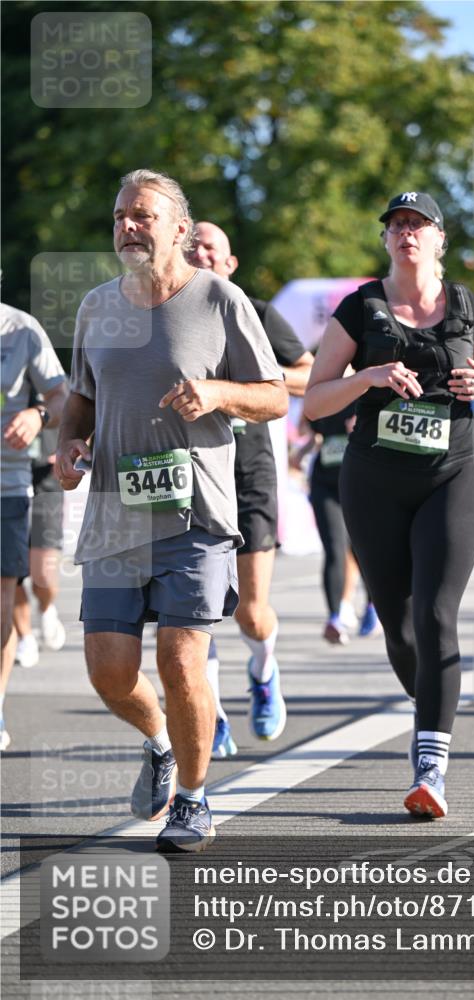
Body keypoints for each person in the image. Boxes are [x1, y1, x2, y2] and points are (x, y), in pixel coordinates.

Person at [55, 170, 287, 852]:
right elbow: (82, 400)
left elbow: (273, 396)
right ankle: (157, 742)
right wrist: (71, 446)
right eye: (122, 214)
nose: (129, 225)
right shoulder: (97, 307)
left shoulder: (220, 299)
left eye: (143, 216)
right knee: (109, 672)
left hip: (197, 514)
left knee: (182, 659)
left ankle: (192, 796)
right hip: (114, 514)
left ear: (179, 229)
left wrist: (218, 392)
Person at [304, 190, 474, 819]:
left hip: (454, 472)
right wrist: (366, 377)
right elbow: (314, 401)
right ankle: (434, 705)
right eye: (396, 226)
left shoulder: (469, 308)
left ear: (440, 241)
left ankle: (430, 766)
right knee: (396, 624)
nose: (407, 234)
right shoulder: (360, 309)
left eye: (418, 225)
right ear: (386, 241)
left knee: (436, 611)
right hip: (374, 479)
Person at [189, 221, 314, 753]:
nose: (200, 252)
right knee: (194, 608)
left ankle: (264, 674)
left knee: (251, 611)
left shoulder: (257, 312)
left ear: (230, 262)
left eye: (210, 246)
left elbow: (309, 375)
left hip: (251, 471)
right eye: (190, 244)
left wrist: (238, 386)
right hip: (190, 471)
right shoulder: (161, 317)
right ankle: (211, 714)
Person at [1, 302, 67, 749]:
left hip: (8, 484)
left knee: (16, 587)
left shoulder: (22, 329)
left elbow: (63, 395)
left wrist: (38, 415)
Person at [296, 404, 380, 644]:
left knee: (362, 549)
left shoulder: (367, 390)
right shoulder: (324, 391)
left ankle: (373, 607)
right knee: (334, 548)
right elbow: (310, 432)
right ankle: (334, 617)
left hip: (359, 482)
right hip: (326, 485)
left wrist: (365, 428)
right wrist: (301, 453)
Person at [14, 424, 68, 668]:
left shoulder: (56, 385)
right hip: (8, 479)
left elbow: (86, 407)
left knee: (43, 574)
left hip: (47, 478)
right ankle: (25, 637)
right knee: (8, 574)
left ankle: (46, 609)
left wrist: (73, 445)